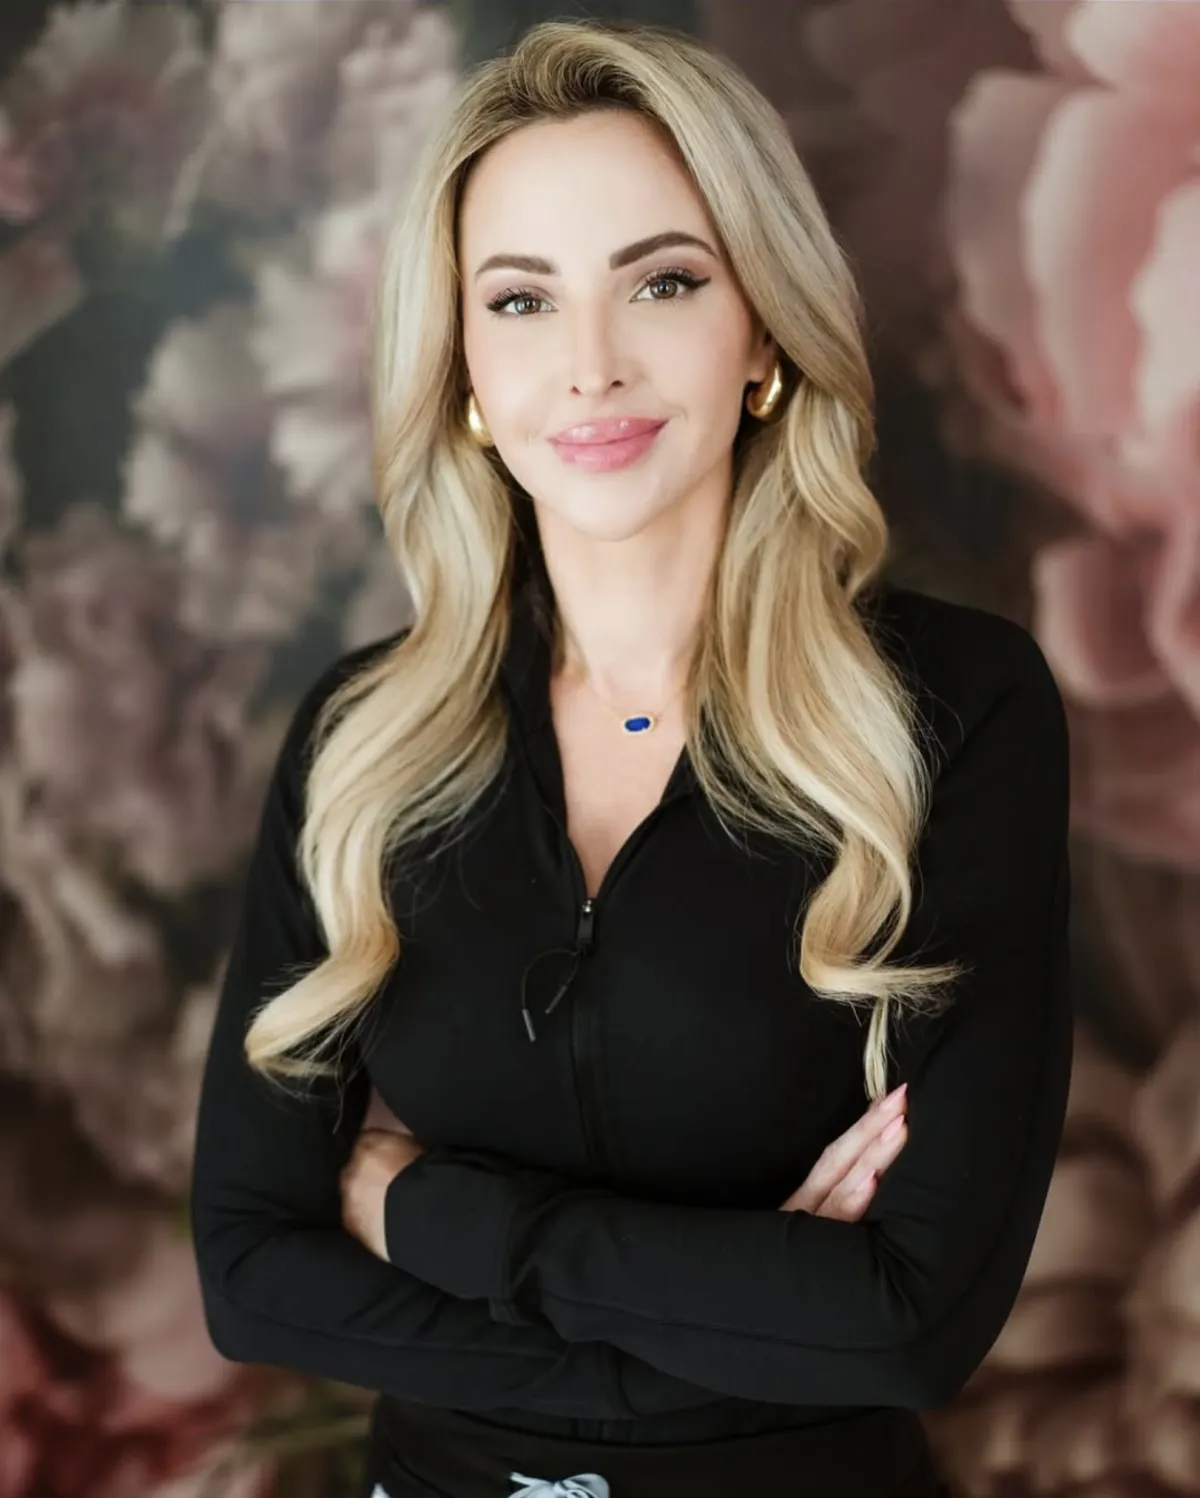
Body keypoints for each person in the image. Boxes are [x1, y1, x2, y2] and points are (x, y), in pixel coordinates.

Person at [189, 17, 1072, 1498]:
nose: (591, 367)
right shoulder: (363, 743)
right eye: (521, 300)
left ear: (764, 333)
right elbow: (249, 1275)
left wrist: (427, 1212)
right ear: (466, 371)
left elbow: (913, 1325)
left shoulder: (953, 711)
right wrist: (742, 1314)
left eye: (663, 282)